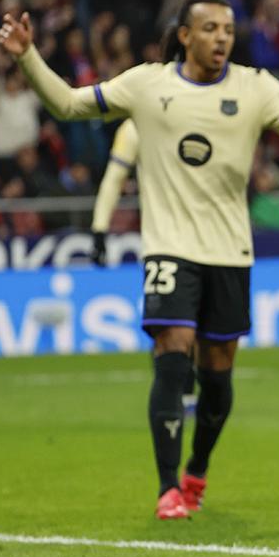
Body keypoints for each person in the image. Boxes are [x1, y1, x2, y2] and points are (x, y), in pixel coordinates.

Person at [0, 0, 279, 520]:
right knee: (173, 356)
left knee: (218, 377)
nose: (221, 38)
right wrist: (27, 56)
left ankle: (196, 469)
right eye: (210, 29)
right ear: (184, 35)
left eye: (228, 30)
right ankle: (167, 487)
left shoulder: (255, 87)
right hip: (168, 248)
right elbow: (67, 104)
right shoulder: (147, 84)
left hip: (230, 251)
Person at [90, 116, 199, 415]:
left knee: (202, 325)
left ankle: (188, 394)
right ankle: (175, 396)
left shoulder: (200, 113)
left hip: (207, 239)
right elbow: (115, 177)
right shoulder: (135, 126)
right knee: (168, 326)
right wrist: (99, 228)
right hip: (162, 242)